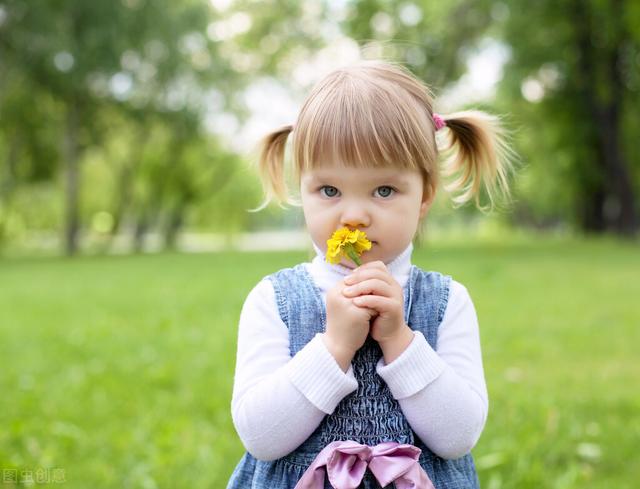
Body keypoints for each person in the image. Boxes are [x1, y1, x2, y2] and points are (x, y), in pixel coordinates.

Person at [227, 59, 515, 489]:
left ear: (423, 197)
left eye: (383, 191)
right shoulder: (273, 301)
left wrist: (399, 341)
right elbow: (260, 437)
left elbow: (458, 438)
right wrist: (334, 347)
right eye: (329, 190)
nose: (354, 214)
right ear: (302, 190)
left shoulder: (447, 302)